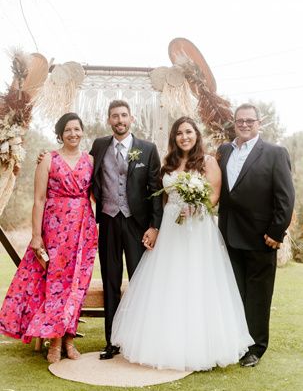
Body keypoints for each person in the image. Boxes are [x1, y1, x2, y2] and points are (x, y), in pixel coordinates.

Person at [111, 116, 253, 371]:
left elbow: (215, 195)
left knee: (198, 281)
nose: (184, 136)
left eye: (188, 132)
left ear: (196, 135)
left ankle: (203, 347)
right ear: (174, 138)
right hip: (171, 228)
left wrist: (197, 206)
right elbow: (163, 199)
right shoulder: (168, 164)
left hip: (198, 229)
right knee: (170, 281)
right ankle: (165, 342)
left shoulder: (208, 161)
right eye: (179, 133)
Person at [0, 113, 98, 363]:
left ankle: (68, 339)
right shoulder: (48, 160)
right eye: (68, 130)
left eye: (77, 129)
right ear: (60, 133)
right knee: (56, 284)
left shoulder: (91, 160)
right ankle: (53, 342)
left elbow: (97, 195)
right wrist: (35, 235)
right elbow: (39, 199)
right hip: (55, 230)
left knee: (78, 285)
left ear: (82, 132)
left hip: (83, 230)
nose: (73, 134)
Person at [217, 103, 295, 367]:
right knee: (234, 293)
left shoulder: (275, 153)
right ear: (234, 123)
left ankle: (256, 348)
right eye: (240, 120)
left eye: (250, 120)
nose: (245, 124)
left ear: (259, 123)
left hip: (262, 237)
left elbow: (285, 197)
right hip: (229, 235)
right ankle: (236, 342)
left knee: (258, 295)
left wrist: (276, 232)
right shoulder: (224, 150)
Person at [90, 100, 163, 359]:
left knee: (140, 281)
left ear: (131, 119)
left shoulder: (147, 149)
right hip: (108, 221)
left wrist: (155, 226)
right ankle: (112, 341)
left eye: (123, 115)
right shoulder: (98, 146)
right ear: (109, 120)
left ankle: (143, 339)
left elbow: (156, 191)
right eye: (114, 116)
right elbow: (78, 164)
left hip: (136, 224)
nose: (119, 120)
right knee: (111, 281)